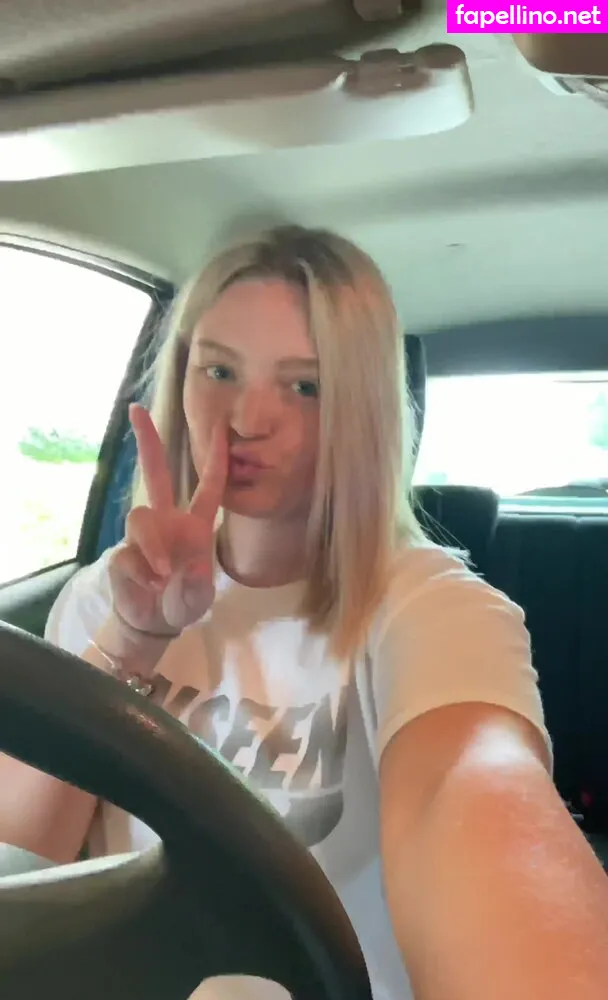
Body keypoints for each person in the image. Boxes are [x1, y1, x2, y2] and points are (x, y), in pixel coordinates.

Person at [1, 224, 607, 1000]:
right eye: (219, 369)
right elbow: (21, 863)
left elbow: (468, 785)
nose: (247, 419)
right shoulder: (105, 594)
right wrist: (132, 638)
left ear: (362, 409)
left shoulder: (433, 609)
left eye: (305, 387)